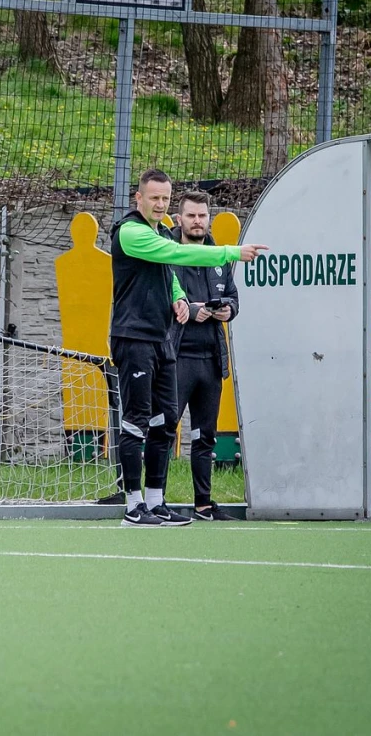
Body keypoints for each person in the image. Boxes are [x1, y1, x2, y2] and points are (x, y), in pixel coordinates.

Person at [111, 169, 268, 527]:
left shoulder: (155, 232)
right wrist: (230, 252)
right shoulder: (131, 231)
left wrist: (180, 298)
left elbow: (167, 273)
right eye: (154, 197)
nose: (160, 204)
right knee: (136, 422)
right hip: (134, 339)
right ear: (139, 198)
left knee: (164, 421)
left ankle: (156, 502)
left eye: (165, 198)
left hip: (162, 340)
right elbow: (175, 254)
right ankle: (133, 507)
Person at [170, 192, 237, 521]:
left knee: (204, 435)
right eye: (191, 216)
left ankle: (203, 504)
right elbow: (157, 299)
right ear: (179, 219)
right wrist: (190, 310)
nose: (197, 221)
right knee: (164, 431)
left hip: (211, 360)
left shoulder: (219, 256)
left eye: (202, 216)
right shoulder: (167, 254)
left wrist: (228, 310)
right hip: (176, 358)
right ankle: (155, 502)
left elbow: (233, 297)